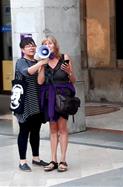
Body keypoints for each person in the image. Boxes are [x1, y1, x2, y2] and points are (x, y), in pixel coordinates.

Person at [38, 35, 76, 172]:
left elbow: (73, 80)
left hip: (62, 98)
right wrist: (42, 64)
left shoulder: (64, 58)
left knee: (62, 129)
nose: (48, 46)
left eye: (50, 43)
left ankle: (63, 160)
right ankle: (53, 160)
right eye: (45, 44)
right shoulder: (43, 61)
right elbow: (40, 82)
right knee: (53, 129)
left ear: (55, 45)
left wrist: (69, 72)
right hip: (49, 99)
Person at [15, 37, 49, 172]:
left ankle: (36, 158)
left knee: (35, 131)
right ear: (23, 49)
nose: (32, 47)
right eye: (28, 46)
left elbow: (41, 80)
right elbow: (27, 72)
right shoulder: (21, 62)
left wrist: (42, 64)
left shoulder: (37, 62)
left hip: (36, 102)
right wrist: (41, 63)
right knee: (23, 132)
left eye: (33, 45)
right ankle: (22, 161)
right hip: (24, 103)